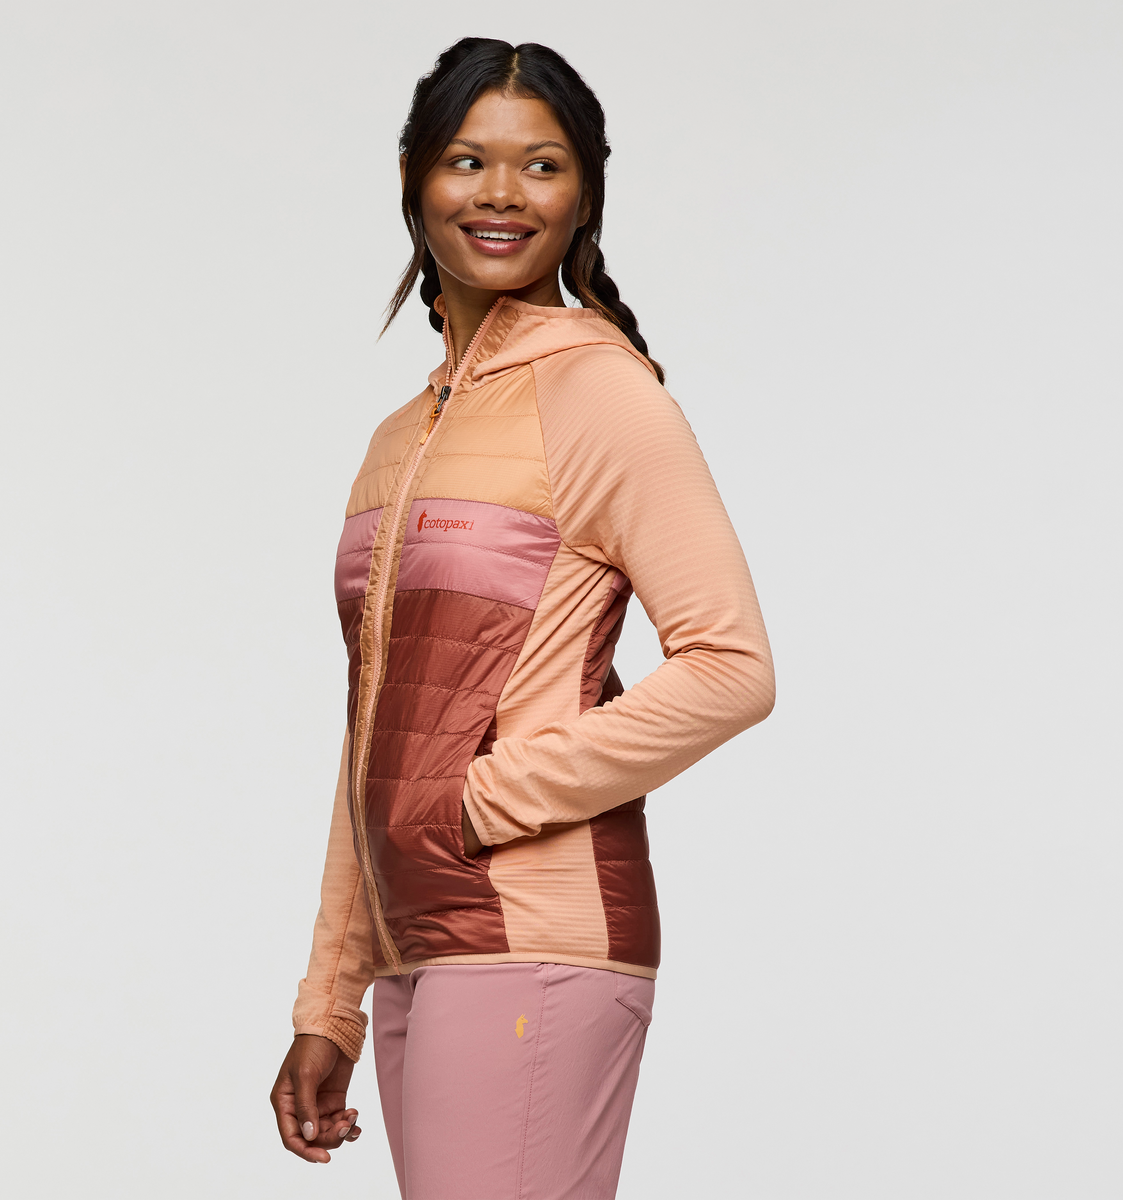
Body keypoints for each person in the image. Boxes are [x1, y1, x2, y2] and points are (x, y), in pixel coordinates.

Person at [270, 37, 775, 1200]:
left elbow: (732, 666)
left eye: (542, 165)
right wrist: (330, 1001)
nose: (502, 194)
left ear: (584, 194)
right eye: (468, 160)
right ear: (413, 177)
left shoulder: (602, 395)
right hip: (419, 947)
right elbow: (371, 732)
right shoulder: (398, 438)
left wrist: (483, 800)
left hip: (535, 933)